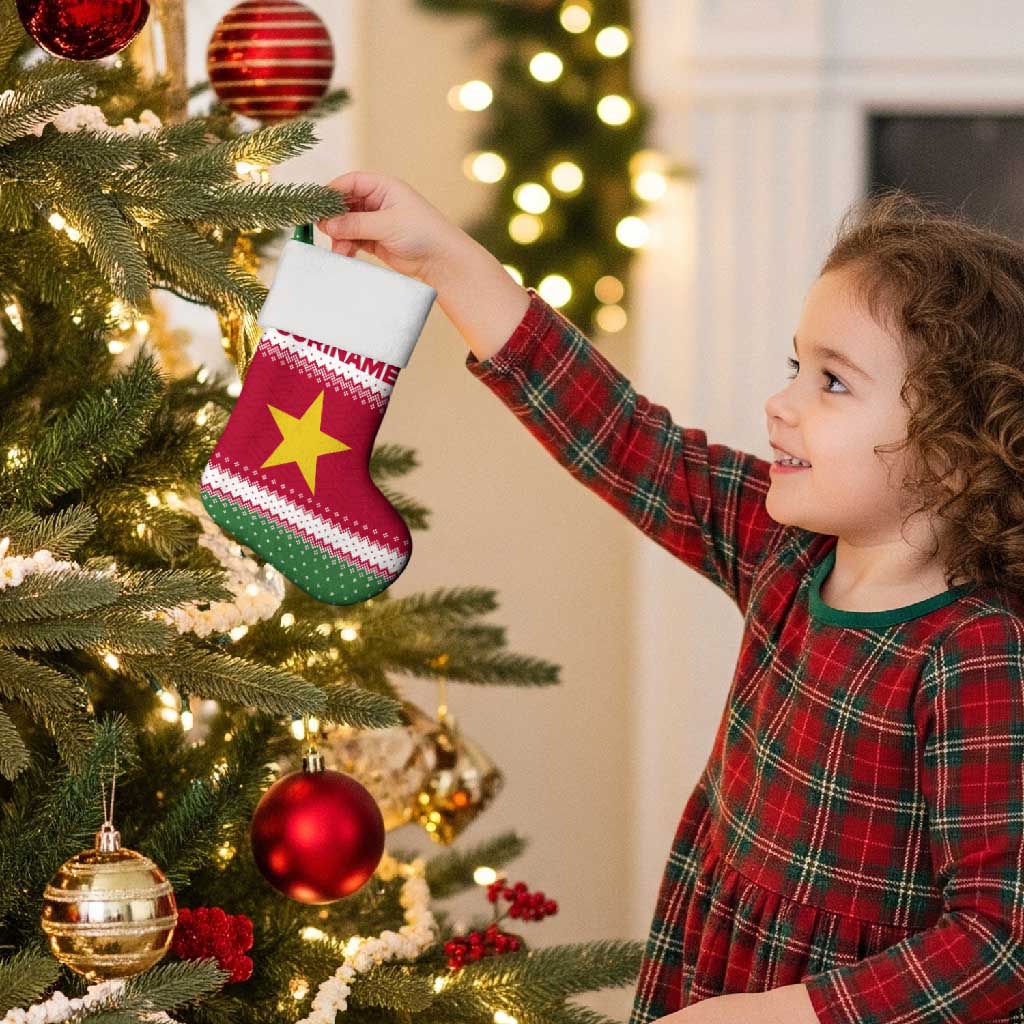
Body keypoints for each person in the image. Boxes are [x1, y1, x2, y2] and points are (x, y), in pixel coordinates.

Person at [317, 175, 1024, 1024]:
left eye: (832, 383)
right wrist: (450, 260)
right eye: (797, 367)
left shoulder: (978, 652)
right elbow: (622, 436)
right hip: (714, 964)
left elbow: (998, 941)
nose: (782, 404)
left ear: (957, 453)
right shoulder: (786, 552)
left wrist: (779, 1016)